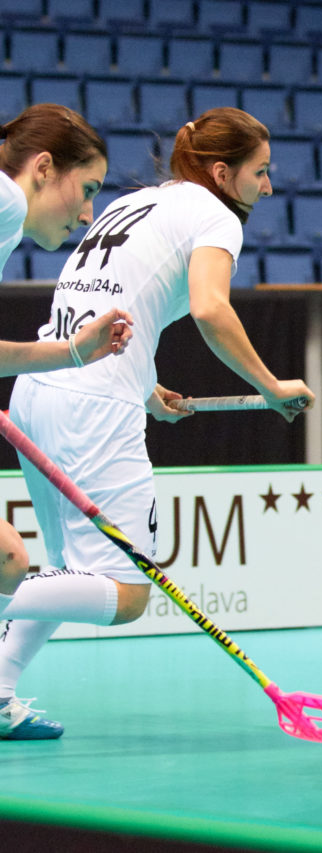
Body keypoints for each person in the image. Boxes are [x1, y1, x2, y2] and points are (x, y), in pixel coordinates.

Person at [1, 107, 314, 741]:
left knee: (68, 568)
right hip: (93, 406)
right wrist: (272, 386)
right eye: (261, 172)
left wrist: (145, 388)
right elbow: (209, 308)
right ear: (223, 173)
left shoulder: (129, 204)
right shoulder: (215, 215)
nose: (268, 186)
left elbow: (108, 306)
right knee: (124, 592)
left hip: (37, 390)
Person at [0, 103, 138, 740]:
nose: (88, 215)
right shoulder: (3, 204)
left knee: (7, 561)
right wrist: (73, 353)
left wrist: (74, 352)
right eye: (85, 192)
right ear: (43, 167)